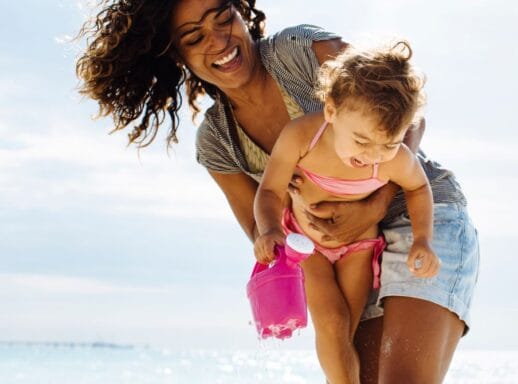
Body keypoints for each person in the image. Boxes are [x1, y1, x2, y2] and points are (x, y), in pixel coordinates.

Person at [76, 1, 479, 382]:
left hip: (421, 219)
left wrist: (373, 204)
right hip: (345, 257)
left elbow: (407, 114)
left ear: (241, 12)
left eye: (223, 18)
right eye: (194, 38)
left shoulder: (298, 51)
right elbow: (260, 228)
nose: (218, 40)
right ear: (178, 55)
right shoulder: (218, 141)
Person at [253, 41, 440, 382]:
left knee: (345, 334)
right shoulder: (302, 137)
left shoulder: (395, 159)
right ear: (332, 111)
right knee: (332, 324)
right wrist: (268, 229)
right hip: (307, 245)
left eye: (388, 144)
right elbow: (269, 189)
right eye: (362, 141)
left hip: (359, 248)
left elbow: (418, 187)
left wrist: (424, 240)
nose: (371, 155)